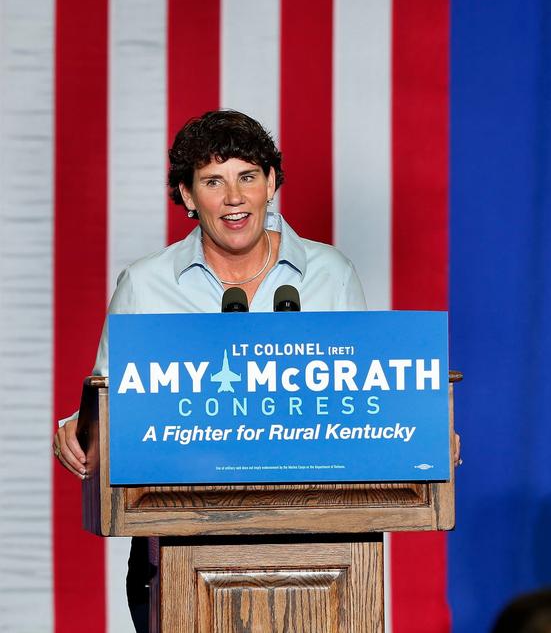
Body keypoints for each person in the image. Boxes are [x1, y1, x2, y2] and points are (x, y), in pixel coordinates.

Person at [51, 109, 367, 632]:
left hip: (316, 541)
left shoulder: (330, 273)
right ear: (187, 196)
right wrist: (80, 430)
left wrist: (420, 429)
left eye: (247, 176)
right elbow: (114, 397)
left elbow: (362, 392)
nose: (234, 197)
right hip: (179, 542)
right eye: (212, 181)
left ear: (271, 183)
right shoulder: (146, 284)